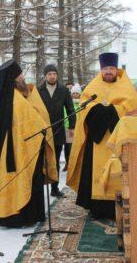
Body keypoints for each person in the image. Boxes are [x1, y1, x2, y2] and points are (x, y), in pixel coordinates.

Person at [67, 53, 137, 220]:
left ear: (116, 70)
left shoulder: (126, 86)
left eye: (111, 68)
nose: (108, 71)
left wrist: (113, 110)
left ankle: (121, 204)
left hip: (119, 139)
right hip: (97, 139)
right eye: (105, 68)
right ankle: (97, 208)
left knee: (119, 171)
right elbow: (84, 106)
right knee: (95, 171)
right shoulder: (93, 86)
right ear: (101, 70)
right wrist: (98, 109)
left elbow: (133, 108)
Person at [0, 60, 57, 228]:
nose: (23, 77)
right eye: (20, 75)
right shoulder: (14, 99)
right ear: (13, 78)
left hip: (21, 148)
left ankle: (20, 214)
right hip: (17, 150)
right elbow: (30, 122)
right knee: (22, 182)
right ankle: (21, 217)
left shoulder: (13, 96)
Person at [38, 64, 76, 198]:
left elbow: (70, 109)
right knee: (41, 161)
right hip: (43, 131)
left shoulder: (64, 90)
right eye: (49, 74)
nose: (52, 76)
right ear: (45, 76)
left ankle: (54, 188)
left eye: (54, 74)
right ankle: (38, 190)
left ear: (57, 75)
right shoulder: (38, 90)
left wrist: (72, 126)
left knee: (55, 160)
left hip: (59, 130)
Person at [62, 84, 82, 172]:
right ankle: (68, 163)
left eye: (77, 93)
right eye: (73, 93)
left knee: (77, 146)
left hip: (79, 128)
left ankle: (77, 164)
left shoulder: (82, 103)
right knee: (68, 147)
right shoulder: (68, 103)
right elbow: (65, 113)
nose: (75, 95)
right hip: (69, 128)